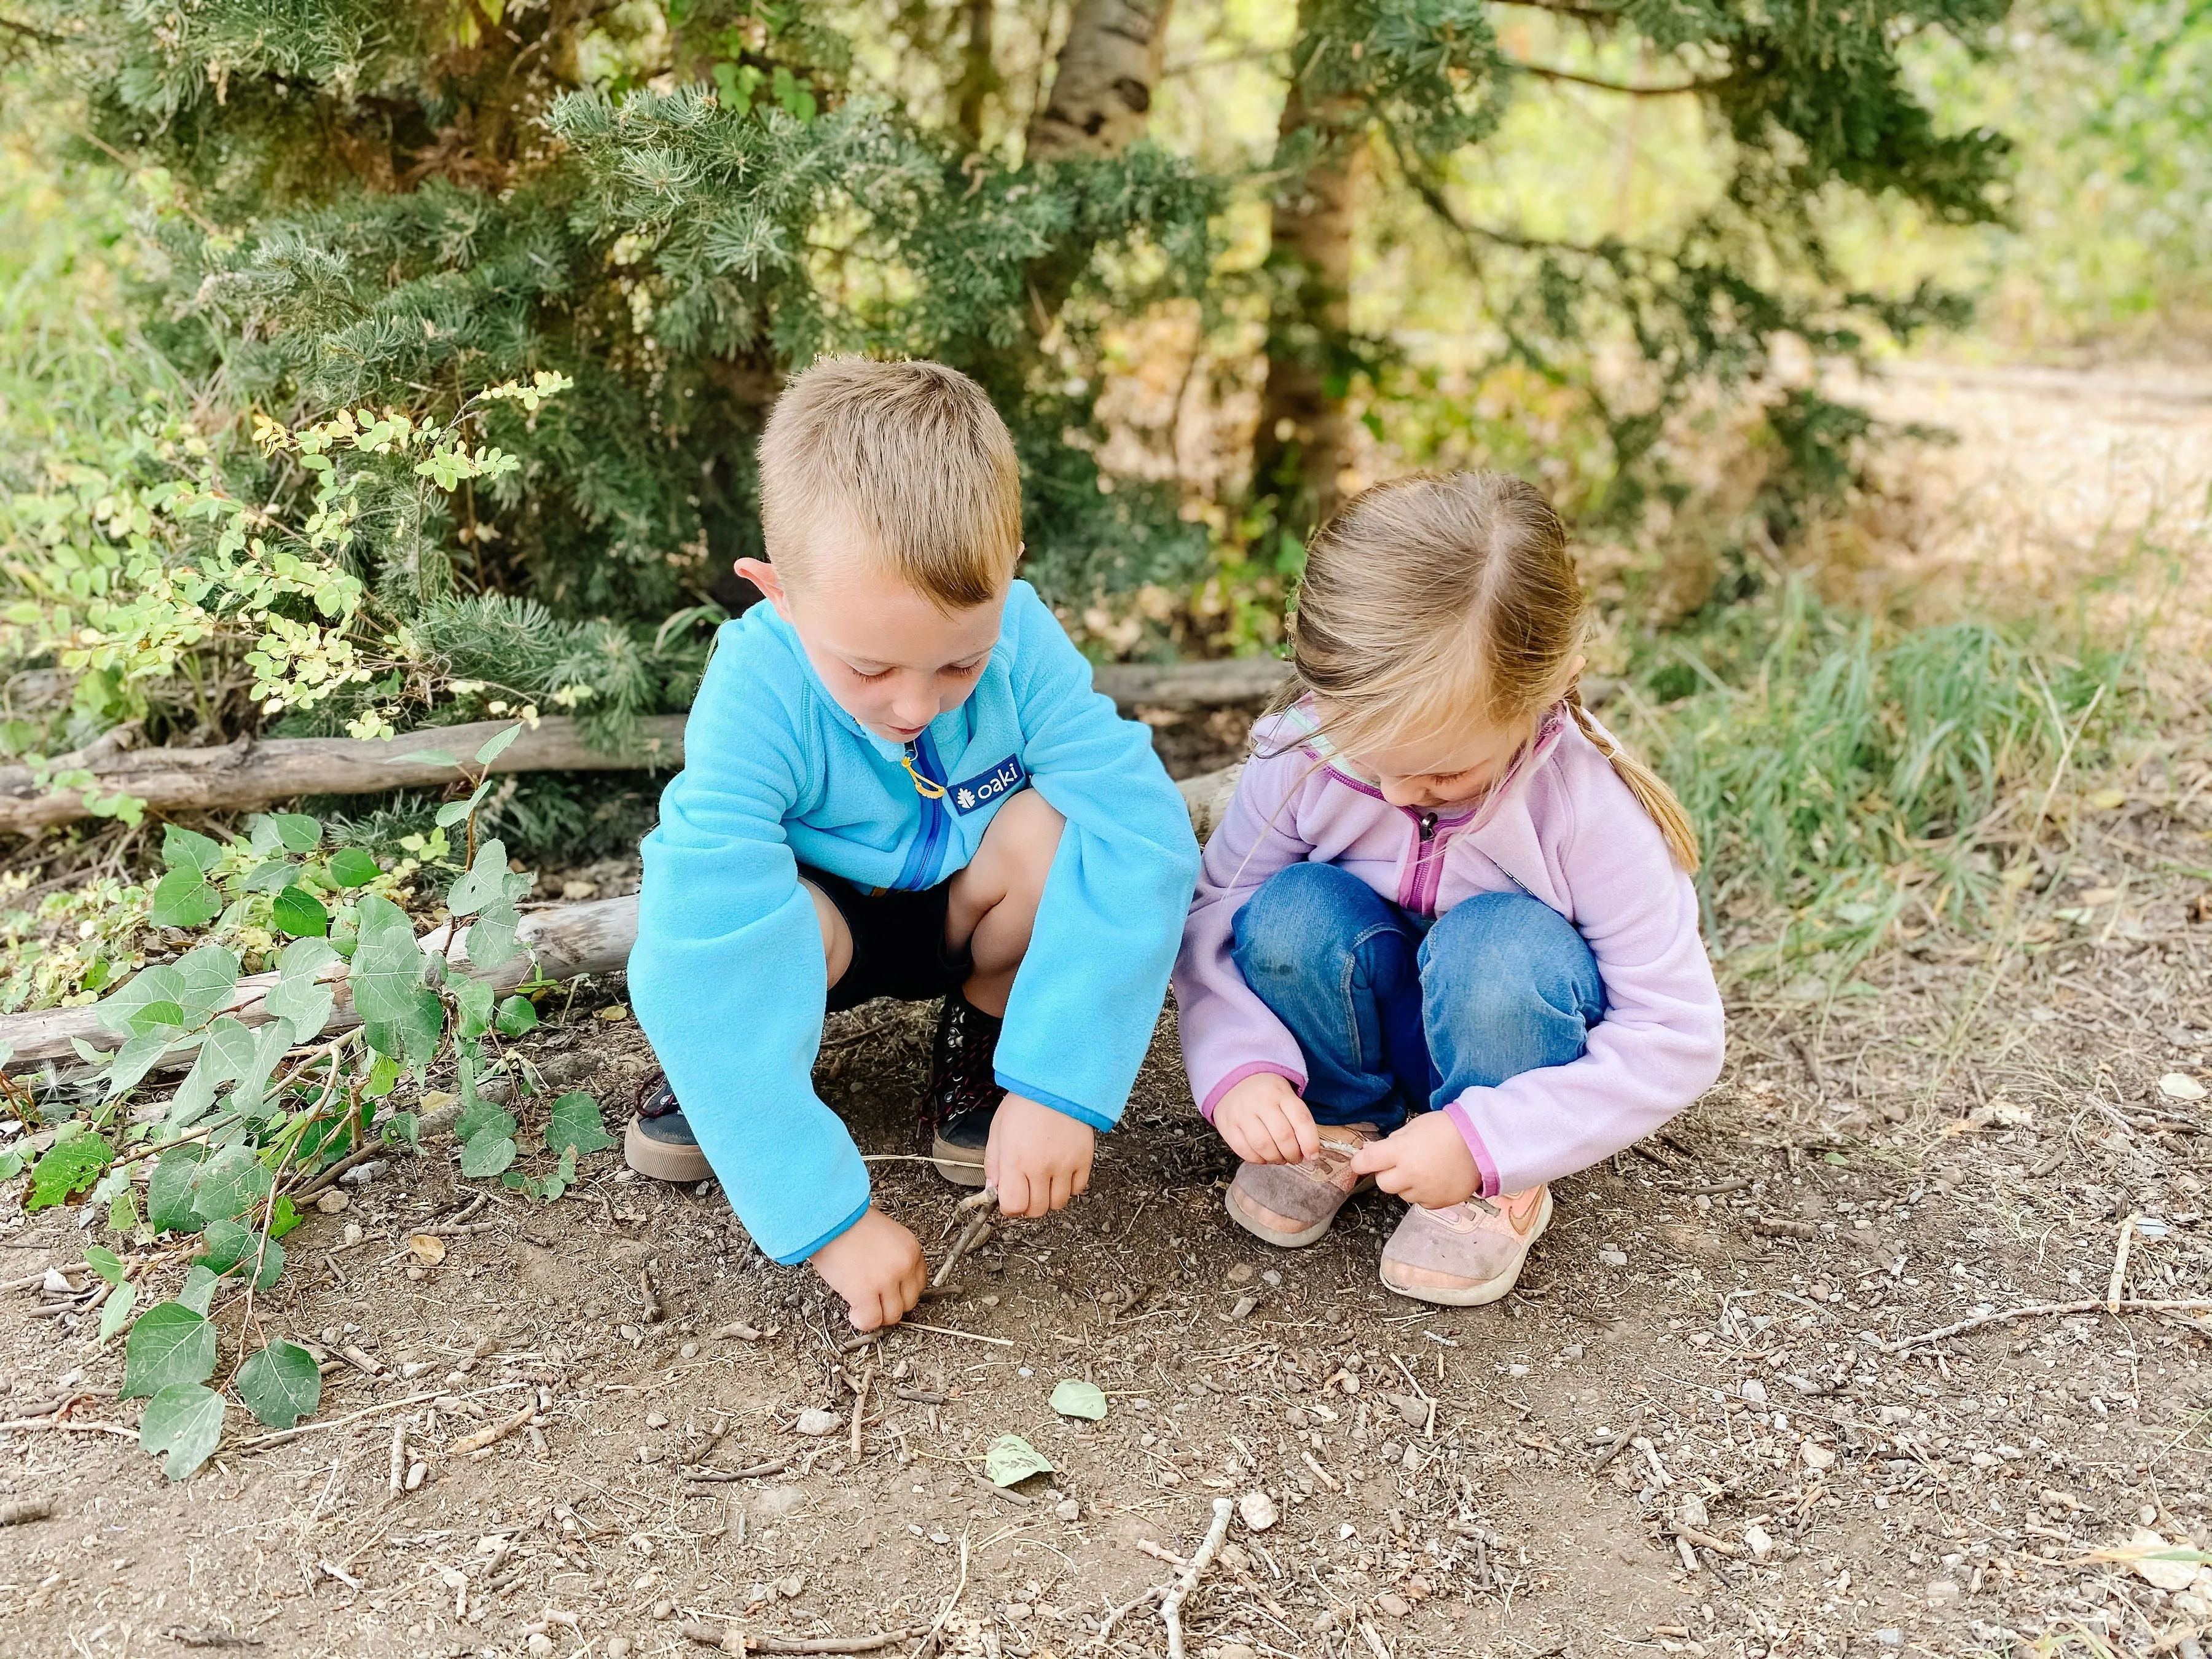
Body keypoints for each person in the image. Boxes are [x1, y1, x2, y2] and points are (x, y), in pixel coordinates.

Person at [629, 359, 1200, 1331]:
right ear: (778, 593)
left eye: (960, 662)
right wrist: (823, 1220)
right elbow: (700, 920)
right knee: (746, 924)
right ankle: (740, 1083)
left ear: (1010, 569)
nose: (915, 703)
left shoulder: (1023, 636)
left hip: (964, 911)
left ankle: (990, 1033)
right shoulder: (757, 683)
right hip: (821, 930)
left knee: (1058, 827)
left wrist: (1060, 1084)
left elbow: (1139, 828)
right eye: (868, 666)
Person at [1173, 472, 1725, 1306]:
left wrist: (1487, 1138)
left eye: (1442, 771)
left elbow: (1675, 1032)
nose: (1397, 796)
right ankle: (1333, 1117)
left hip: (1503, 1053)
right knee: (1289, 912)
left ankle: (1491, 1186)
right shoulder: (1303, 754)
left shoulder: (1587, 810)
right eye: (1373, 759)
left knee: (1498, 942)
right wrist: (1240, 1064)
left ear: (1546, 689)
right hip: (1365, 1016)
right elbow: (1216, 917)